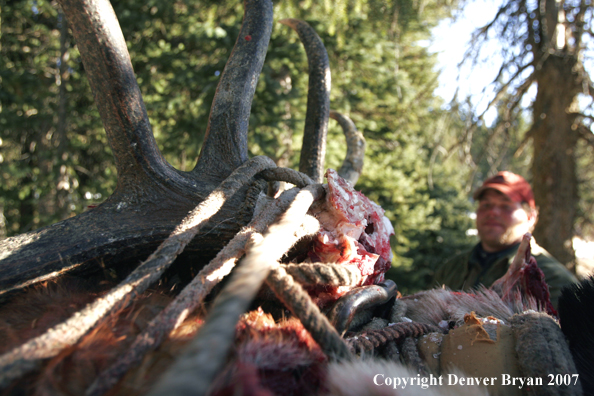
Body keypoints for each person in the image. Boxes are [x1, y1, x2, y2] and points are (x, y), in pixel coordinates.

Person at [433, 171, 577, 309]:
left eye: (506, 206)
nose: (492, 212)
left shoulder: (553, 280)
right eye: (486, 205)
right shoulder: (450, 269)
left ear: (530, 217)